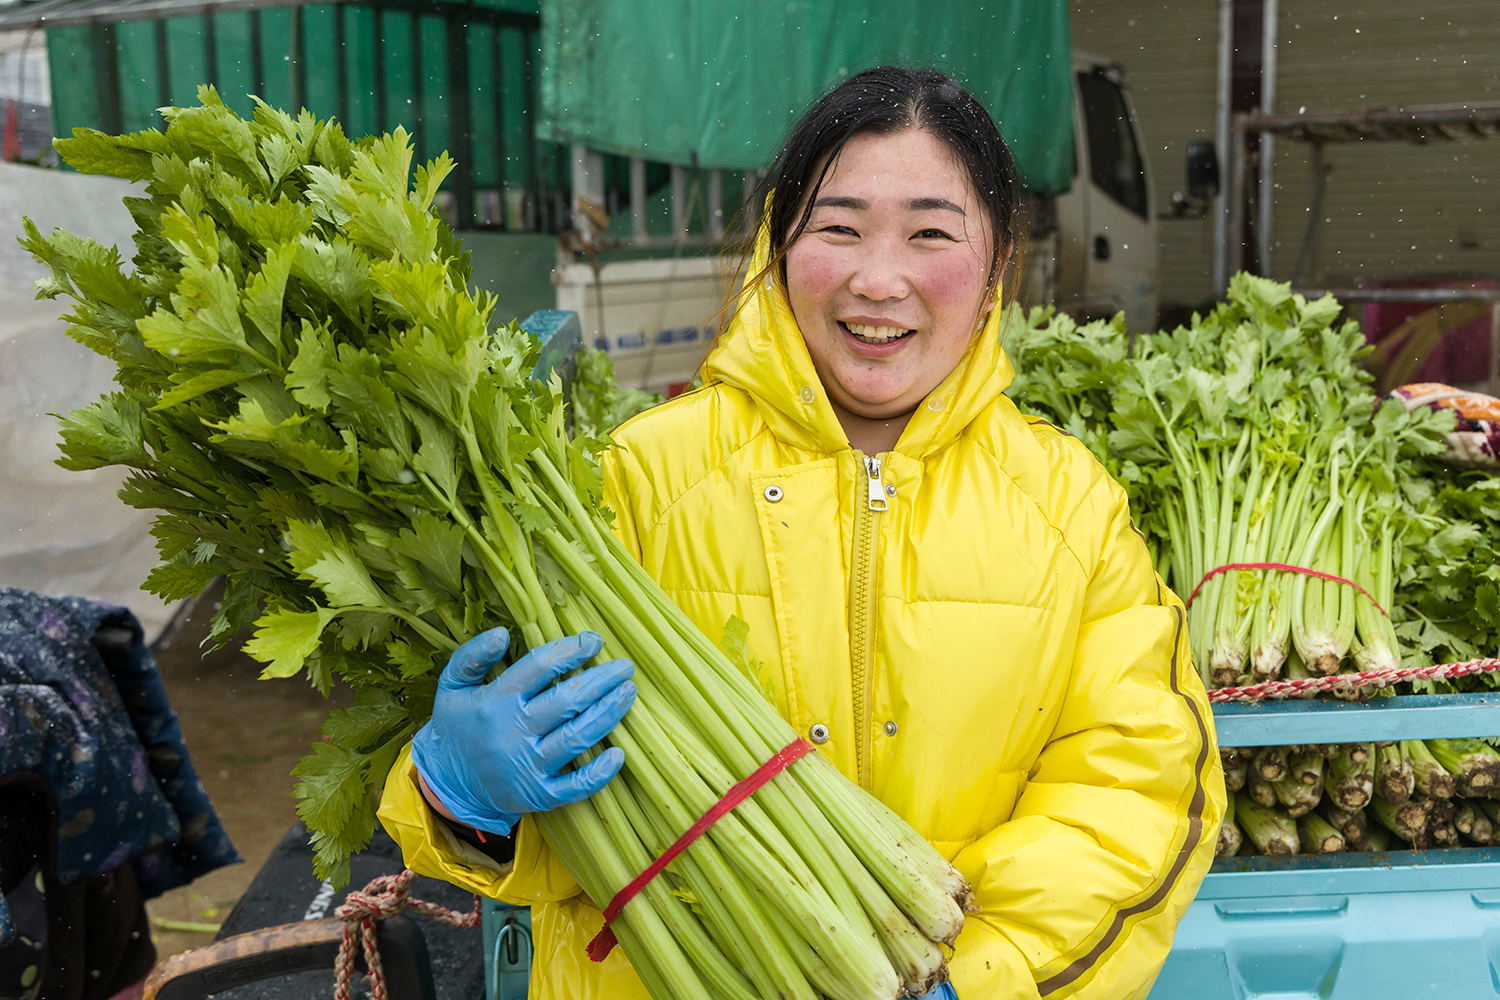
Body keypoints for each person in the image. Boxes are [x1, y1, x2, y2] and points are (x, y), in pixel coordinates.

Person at [379, 65, 1225, 1000]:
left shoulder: (1071, 508)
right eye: (839, 228)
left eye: (931, 234)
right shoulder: (626, 485)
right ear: (780, 246)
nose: (878, 278)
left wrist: (979, 977)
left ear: (997, 260)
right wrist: (465, 800)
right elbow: (569, 828)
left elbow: (1130, 789)